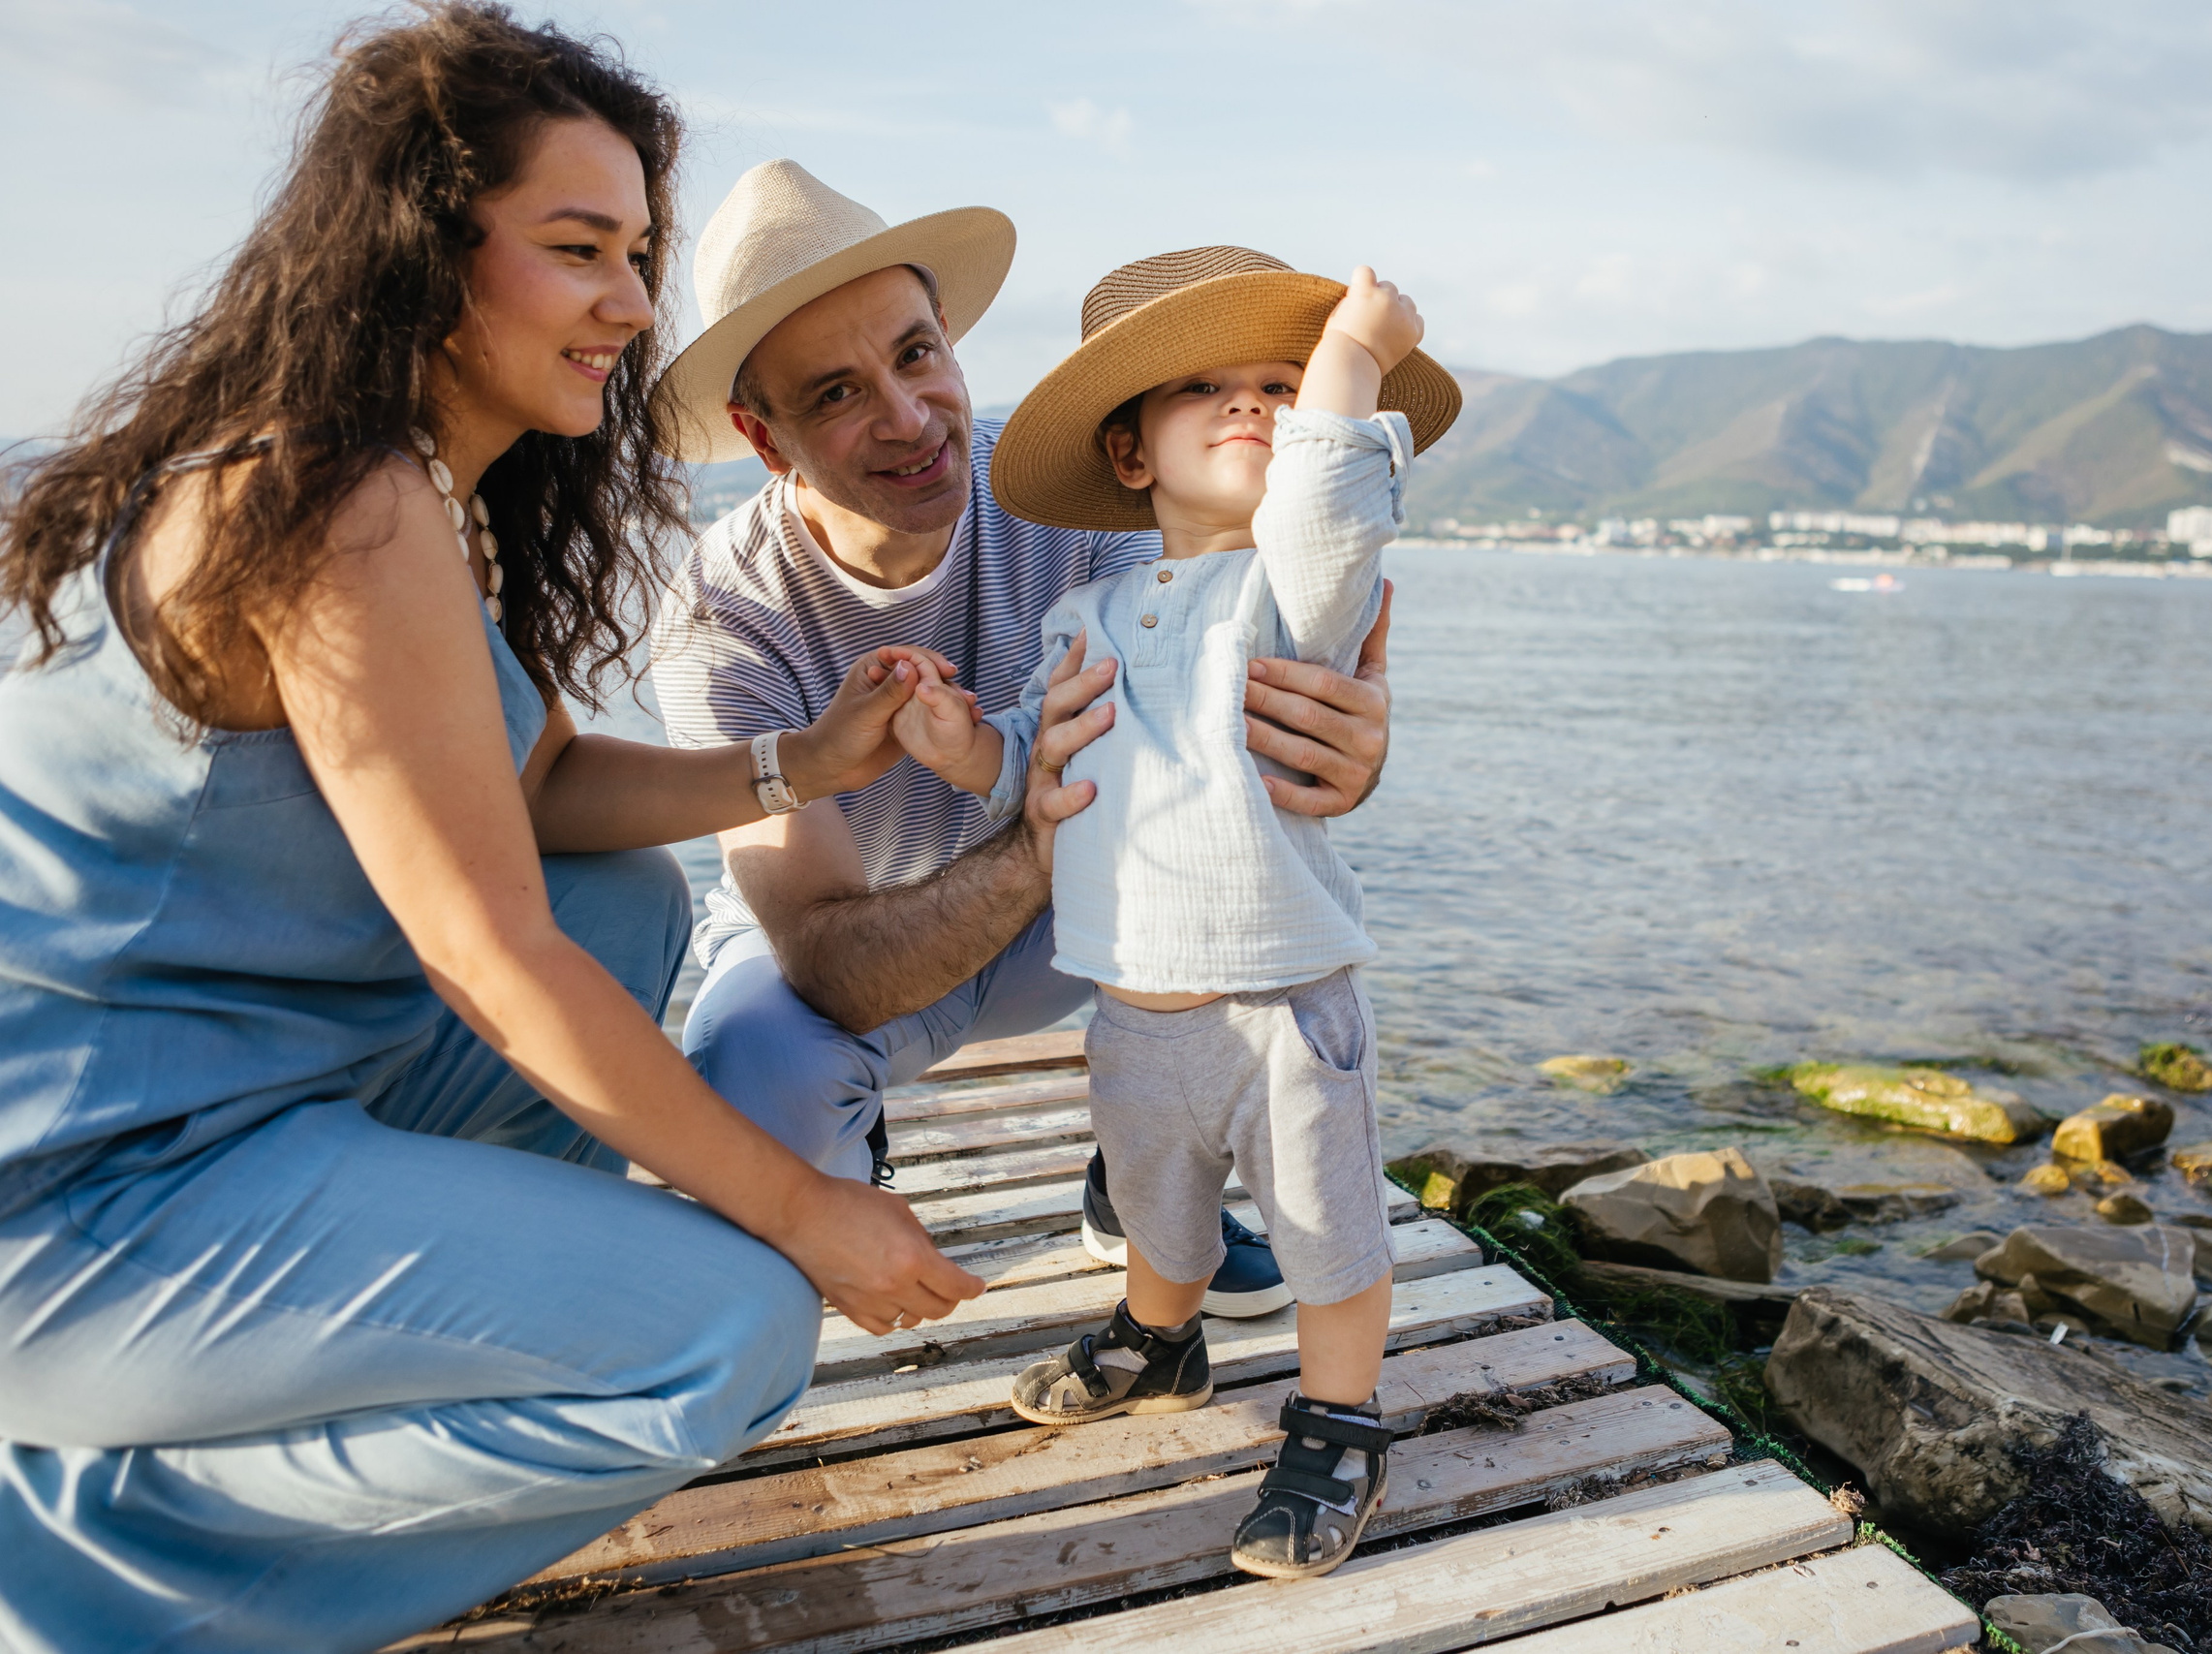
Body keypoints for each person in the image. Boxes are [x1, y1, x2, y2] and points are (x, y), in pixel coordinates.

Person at [0, 10, 1020, 1648]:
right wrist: (801, 1205)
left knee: (628, 906)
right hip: (70, 1193)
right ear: (423, 252)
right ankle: (73, 1559)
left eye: (636, 250)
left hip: (217, 1088)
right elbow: (484, 951)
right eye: (577, 249)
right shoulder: (341, 503)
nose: (630, 300)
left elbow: (540, 795)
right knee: (732, 1334)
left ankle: (368, 1343)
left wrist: (802, 764)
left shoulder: (411, 491)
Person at [647, 166, 1399, 1317]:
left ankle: (1142, 1172)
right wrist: (1040, 828)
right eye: (839, 392)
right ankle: (866, 1141)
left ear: (948, 339)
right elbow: (832, 968)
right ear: (762, 434)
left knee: (1241, 909)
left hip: (1085, 916)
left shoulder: (1076, 489)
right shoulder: (719, 618)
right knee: (754, 1086)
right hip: (863, 938)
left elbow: (1247, 650)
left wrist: (1332, 747)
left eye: (912, 356)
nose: (906, 421)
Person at [912, 245, 1457, 1579]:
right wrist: (957, 744)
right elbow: (1035, 759)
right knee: (1159, 1210)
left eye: (1278, 384)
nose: (1254, 404)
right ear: (1130, 456)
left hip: (1279, 1001)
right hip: (1131, 1003)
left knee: (1328, 1228)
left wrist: (1356, 352)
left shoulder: (1291, 594)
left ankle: (1338, 1418)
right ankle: (1162, 1341)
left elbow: (1331, 494)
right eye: (1205, 387)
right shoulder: (1086, 607)